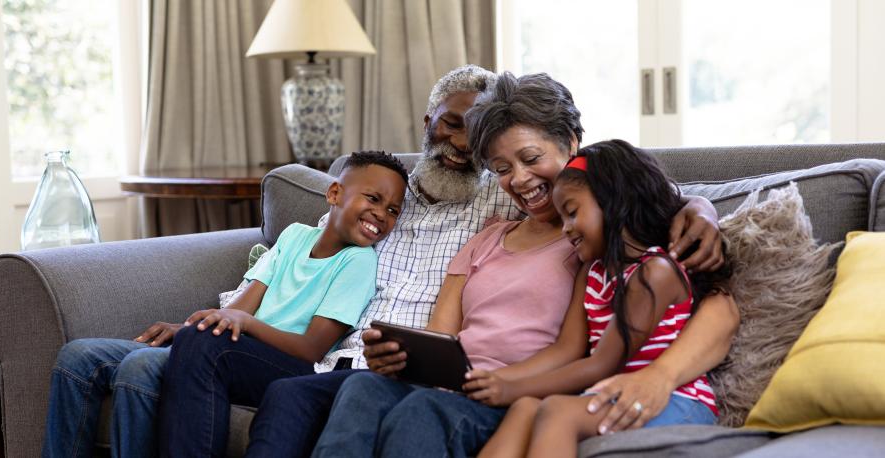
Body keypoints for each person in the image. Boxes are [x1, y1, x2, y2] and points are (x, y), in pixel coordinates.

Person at [258, 70, 737, 458]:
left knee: (423, 411)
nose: (520, 180)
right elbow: (443, 336)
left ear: (572, 144)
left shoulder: (597, 237)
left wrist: (702, 207)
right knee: (361, 392)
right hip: (459, 380)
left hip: (512, 391)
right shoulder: (494, 226)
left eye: (530, 159)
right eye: (502, 170)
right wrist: (406, 360)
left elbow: (653, 203)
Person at [41, 151, 407, 458]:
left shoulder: (358, 262)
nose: (382, 214)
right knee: (78, 357)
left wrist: (237, 326)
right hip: (233, 347)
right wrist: (187, 329)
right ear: (334, 194)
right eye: (373, 199)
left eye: (393, 210)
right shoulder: (295, 235)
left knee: (146, 364)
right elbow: (244, 306)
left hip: (284, 363)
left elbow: (311, 349)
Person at [476, 140, 732, 458]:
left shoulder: (655, 272)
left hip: (679, 401)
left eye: (572, 213)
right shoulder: (593, 272)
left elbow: (602, 364)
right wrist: (498, 384)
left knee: (557, 411)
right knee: (526, 407)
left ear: (613, 202)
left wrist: (508, 389)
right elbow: (568, 348)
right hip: (611, 393)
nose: (567, 229)